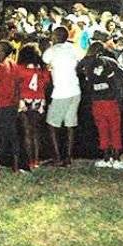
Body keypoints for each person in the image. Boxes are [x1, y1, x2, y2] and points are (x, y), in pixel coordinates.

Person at [78, 41, 123, 169]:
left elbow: (77, 71)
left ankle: (106, 158)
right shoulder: (111, 61)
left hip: (96, 100)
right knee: (115, 129)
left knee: (102, 129)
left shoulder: (87, 62)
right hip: (111, 100)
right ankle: (116, 159)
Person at [43, 26, 82, 167]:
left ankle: (57, 157)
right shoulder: (72, 48)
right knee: (70, 124)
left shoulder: (52, 50)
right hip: (75, 90)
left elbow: (45, 60)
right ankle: (68, 158)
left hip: (61, 91)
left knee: (51, 124)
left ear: (57, 37)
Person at [15, 43, 50, 170]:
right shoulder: (42, 68)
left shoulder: (19, 68)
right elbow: (46, 83)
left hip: (24, 99)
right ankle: (36, 160)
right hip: (38, 99)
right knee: (36, 132)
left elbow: (16, 84)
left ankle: (29, 161)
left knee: (26, 132)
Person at [0, 41, 20, 174]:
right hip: (12, 104)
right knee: (12, 134)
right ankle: (16, 166)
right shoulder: (13, 64)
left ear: (1, 52)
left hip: (0, 104)